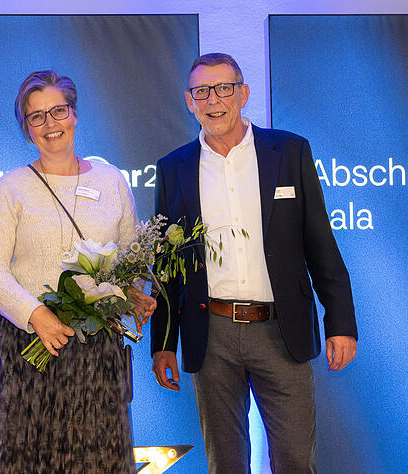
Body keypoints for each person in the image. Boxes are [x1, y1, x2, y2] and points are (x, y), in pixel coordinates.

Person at [150, 53, 358, 473]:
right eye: (202, 91)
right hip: (211, 334)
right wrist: (163, 343)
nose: (214, 99)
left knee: (295, 460)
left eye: (224, 88)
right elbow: (167, 267)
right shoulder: (173, 168)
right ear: (189, 101)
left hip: (282, 329)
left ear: (243, 94)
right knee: (225, 463)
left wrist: (341, 323)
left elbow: (319, 242)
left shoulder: (290, 151)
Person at [0, 70, 156, 473]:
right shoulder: (12, 187)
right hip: (30, 348)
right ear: (26, 128)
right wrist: (36, 314)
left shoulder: (111, 181)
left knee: (96, 459)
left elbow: (132, 257)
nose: (50, 124)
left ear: (74, 114)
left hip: (97, 348)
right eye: (36, 116)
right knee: (26, 459)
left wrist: (131, 293)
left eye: (58, 111)